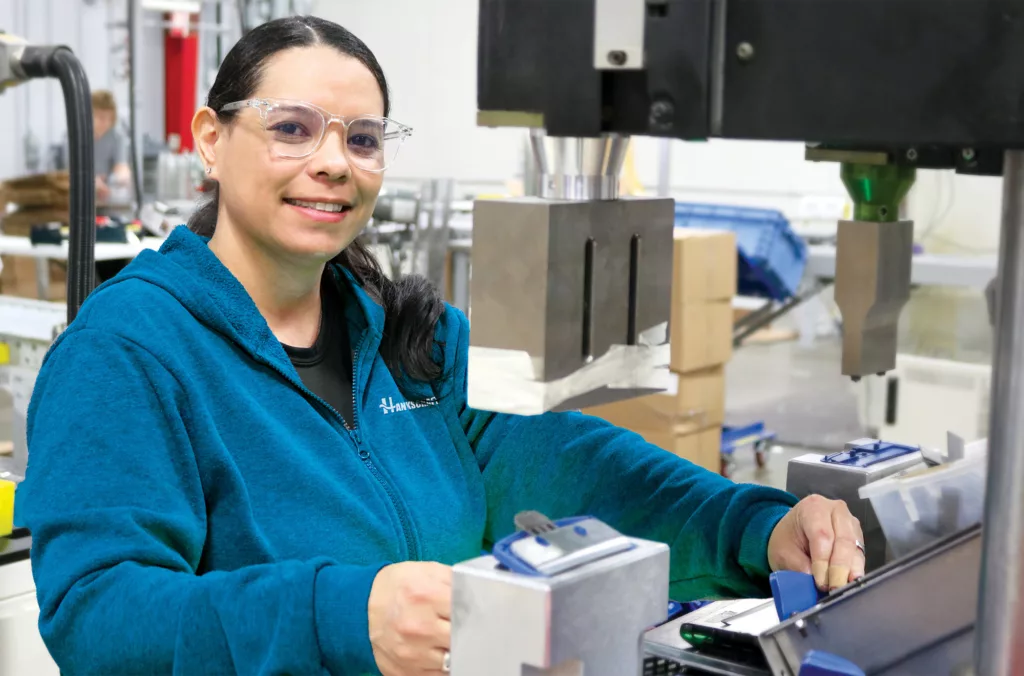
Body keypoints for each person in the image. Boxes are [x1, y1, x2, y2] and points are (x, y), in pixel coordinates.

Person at [16, 16, 865, 676]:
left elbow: (573, 462)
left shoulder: (410, 337)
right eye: (291, 129)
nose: (333, 163)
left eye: (361, 138)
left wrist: (752, 527)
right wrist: (343, 618)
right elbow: (99, 615)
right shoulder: (128, 353)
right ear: (210, 138)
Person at [89, 89, 132, 203]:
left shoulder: (117, 137)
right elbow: (68, 172)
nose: (106, 123)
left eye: (110, 118)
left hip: (107, 199)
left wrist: (117, 177)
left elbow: (121, 168)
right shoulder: (74, 137)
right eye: (102, 118)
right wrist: (91, 181)